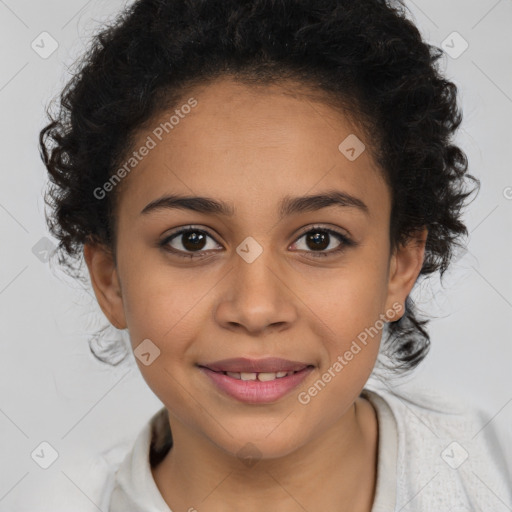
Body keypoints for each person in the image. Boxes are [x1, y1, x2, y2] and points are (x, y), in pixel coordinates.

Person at [38, 0, 512, 510]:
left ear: (399, 267)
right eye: (192, 240)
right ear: (110, 280)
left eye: (319, 239)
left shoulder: (492, 467)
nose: (257, 308)